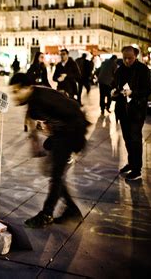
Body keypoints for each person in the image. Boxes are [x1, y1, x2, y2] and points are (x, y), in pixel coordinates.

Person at [9, 73, 90, 228]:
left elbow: (75, 113)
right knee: (53, 173)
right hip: (61, 134)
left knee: (55, 175)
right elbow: (33, 116)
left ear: (27, 88)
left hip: (70, 135)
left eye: (16, 91)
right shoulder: (34, 97)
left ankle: (47, 214)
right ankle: (71, 210)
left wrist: (75, 147)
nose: (14, 96)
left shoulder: (43, 98)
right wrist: (38, 135)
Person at [112, 46, 151, 181]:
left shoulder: (143, 70)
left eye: (130, 58)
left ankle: (137, 169)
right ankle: (131, 163)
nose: (127, 61)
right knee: (127, 138)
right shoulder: (119, 70)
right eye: (124, 58)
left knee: (135, 139)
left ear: (136, 56)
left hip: (137, 111)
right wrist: (113, 93)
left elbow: (148, 90)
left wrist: (133, 93)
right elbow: (114, 86)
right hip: (123, 110)